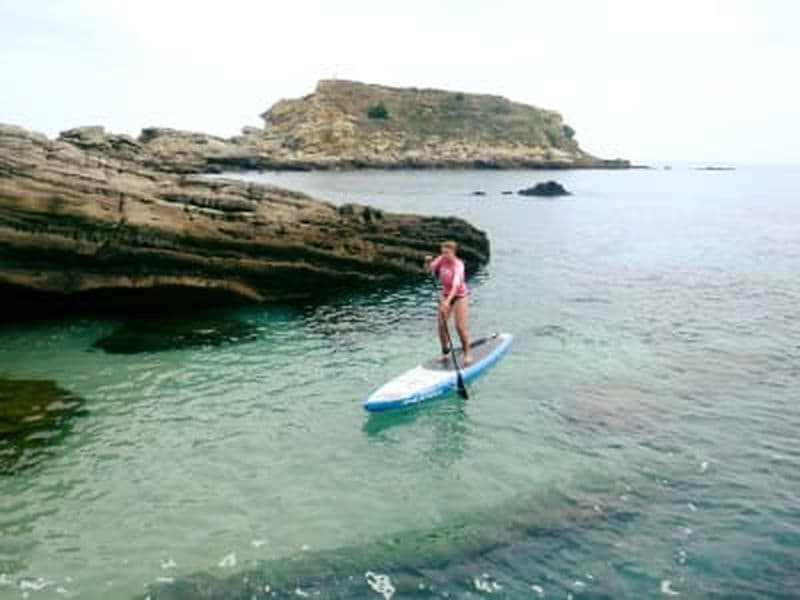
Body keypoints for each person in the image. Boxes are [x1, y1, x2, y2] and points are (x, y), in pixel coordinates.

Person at [425, 240, 473, 365]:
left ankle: (468, 353)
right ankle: (445, 352)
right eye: (442, 253)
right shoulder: (442, 259)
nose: (444, 255)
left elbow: (456, 285)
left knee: (459, 326)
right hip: (445, 295)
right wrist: (427, 262)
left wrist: (447, 301)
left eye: (447, 253)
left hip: (459, 296)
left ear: (453, 252)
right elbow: (429, 270)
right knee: (441, 325)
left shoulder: (459, 265)